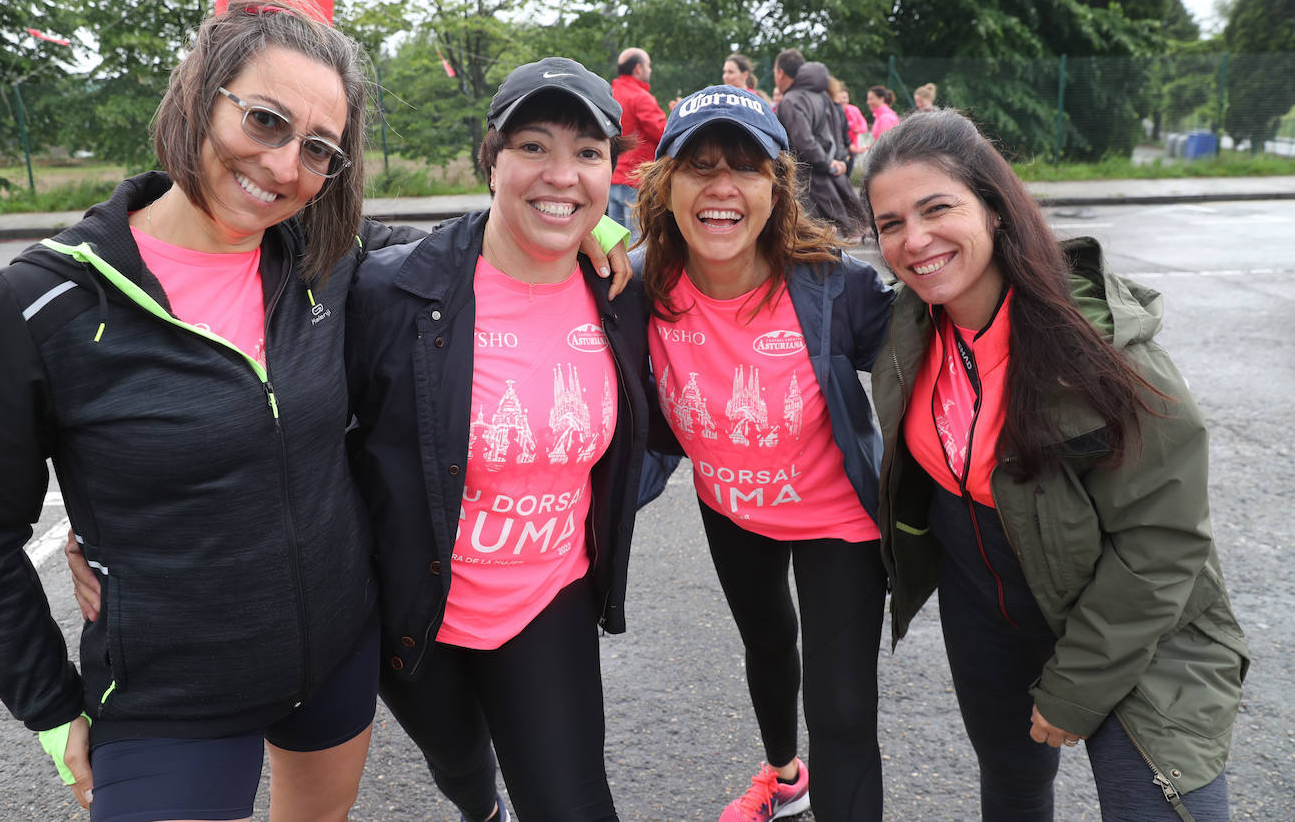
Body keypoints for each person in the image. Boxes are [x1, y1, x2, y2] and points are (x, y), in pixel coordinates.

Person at [0, 0, 422, 822]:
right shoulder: (38, 306)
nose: (282, 165)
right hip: (171, 699)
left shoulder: (320, 252)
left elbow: (460, 262)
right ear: (198, 93)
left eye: (317, 149)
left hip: (336, 652)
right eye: (264, 120)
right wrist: (48, 705)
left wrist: (586, 223)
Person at [863, 109, 1249, 821]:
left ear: (996, 208)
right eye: (890, 224)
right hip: (986, 608)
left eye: (936, 208)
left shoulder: (1103, 353)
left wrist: (1077, 686)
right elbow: (754, 268)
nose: (914, 240)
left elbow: (1163, 544)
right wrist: (604, 237)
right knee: (1012, 790)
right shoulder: (906, 326)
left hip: (1137, 626)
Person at [345, 57, 651, 822]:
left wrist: (612, 507)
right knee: (461, 769)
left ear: (610, 172)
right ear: (492, 162)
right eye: (533, 147)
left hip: (547, 600)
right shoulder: (394, 290)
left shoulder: (622, 295)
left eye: (586, 154)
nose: (561, 174)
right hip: (417, 600)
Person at [634, 85, 892, 822]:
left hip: (837, 519)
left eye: (745, 168)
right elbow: (544, 254)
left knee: (841, 708)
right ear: (667, 186)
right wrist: (603, 236)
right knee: (769, 646)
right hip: (732, 507)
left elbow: (941, 329)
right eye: (699, 166)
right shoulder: (641, 282)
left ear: (775, 188)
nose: (721, 188)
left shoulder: (832, 288)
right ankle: (784, 779)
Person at [772, 49, 861, 238]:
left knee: (810, 238)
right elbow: (837, 133)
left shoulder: (791, 100)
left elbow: (803, 140)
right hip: (831, 176)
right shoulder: (823, 97)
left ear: (780, 72)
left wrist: (826, 162)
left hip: (807, 180)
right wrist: (837, 161)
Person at [609, 47, 668, 240]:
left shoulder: (610, 95)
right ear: (638, 69)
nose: (650, 70)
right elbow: (663, 133)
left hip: (612, 179)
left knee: (614, 241)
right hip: (635, 180)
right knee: (637, 241)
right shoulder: (640, 97)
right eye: (648, 66)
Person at [829, 78, 868, 156]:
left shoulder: (854, 110)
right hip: (838, 147)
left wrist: (858, 129)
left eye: (845, 97)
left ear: (848, 98)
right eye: (840, 98)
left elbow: (864, 126)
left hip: (852, 147)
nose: (843, 100)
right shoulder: (831, 110)